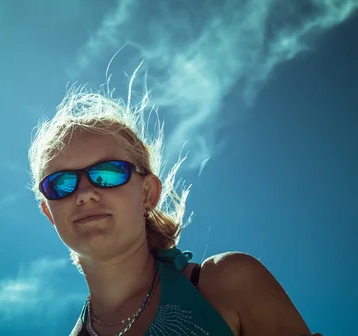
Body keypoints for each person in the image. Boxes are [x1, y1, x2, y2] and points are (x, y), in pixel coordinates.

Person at [28, 86, 321, 336]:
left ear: (147, 193)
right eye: (61, 183)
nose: (85, 193)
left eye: (108, 173)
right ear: (48, 213)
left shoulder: (227, 285)